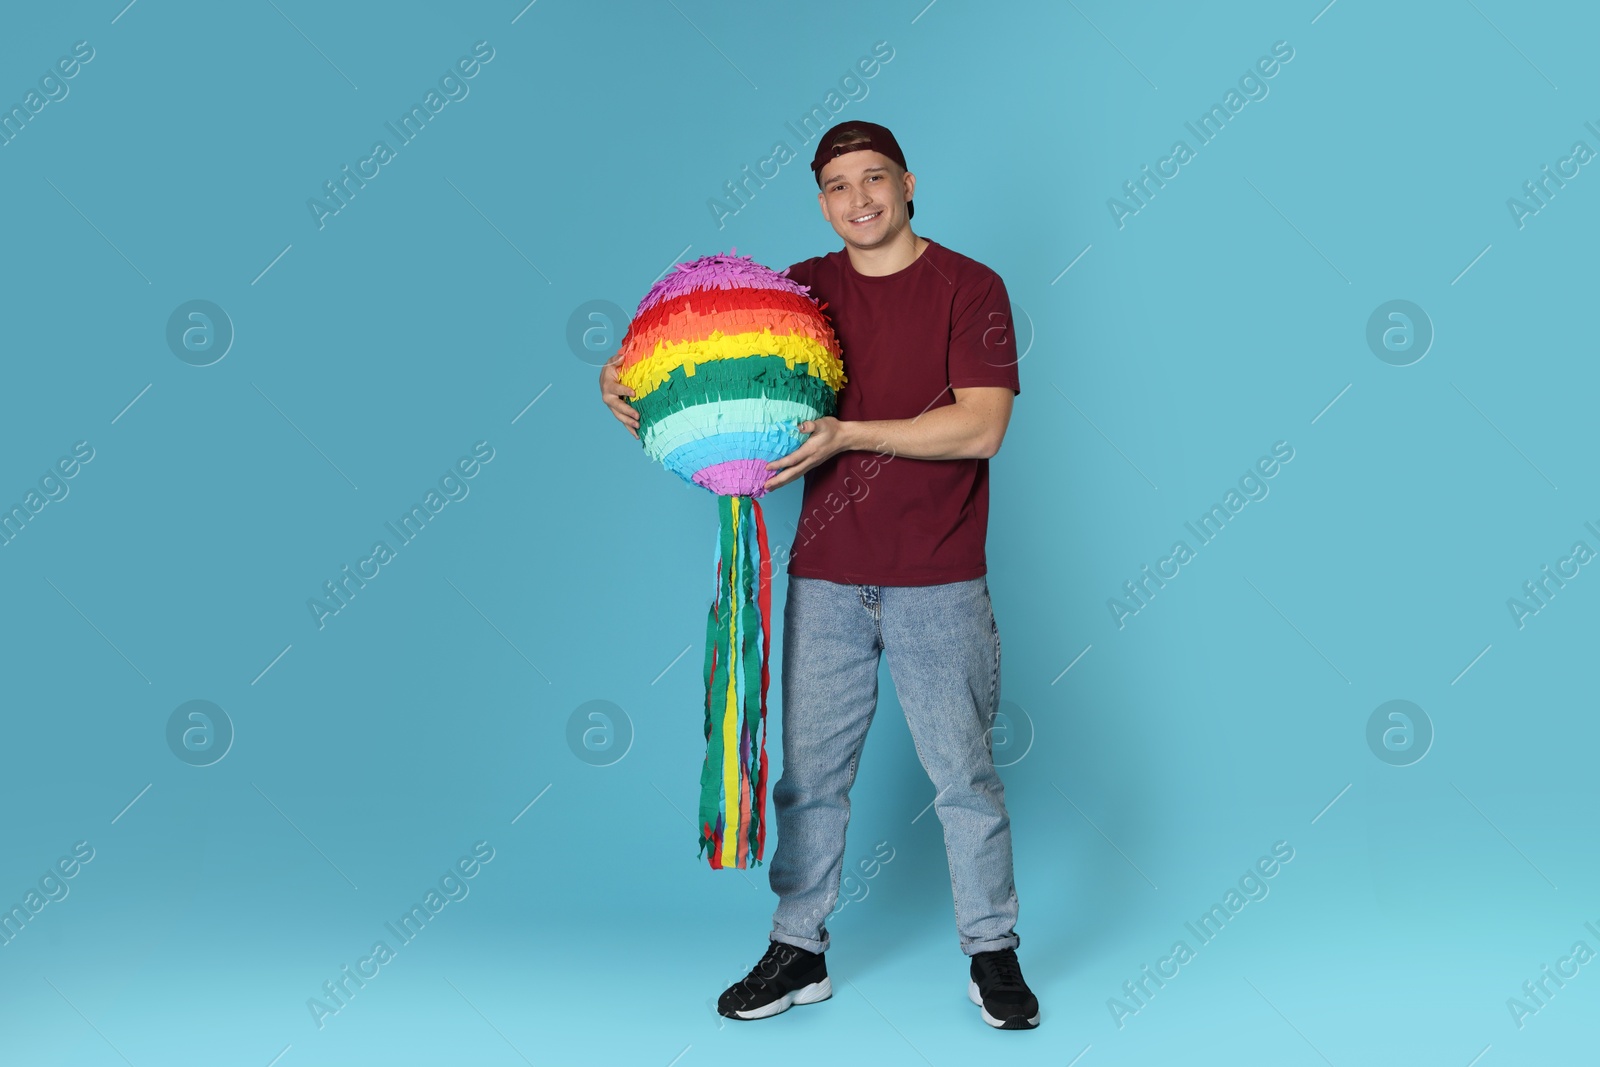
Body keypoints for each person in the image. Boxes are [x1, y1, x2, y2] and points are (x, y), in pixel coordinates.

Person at [599, 120, 1036, 1030]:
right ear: (822, 200)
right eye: (837, 186)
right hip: (826, 578)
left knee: (964, 776)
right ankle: (797, 951)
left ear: (910, 183)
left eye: (874, 179)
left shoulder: (971, 286)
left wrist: (851, 432)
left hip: (939, 577)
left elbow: (982, 426)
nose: (859, 199)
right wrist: (637, 388)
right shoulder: (798, 292)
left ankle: (991, 952)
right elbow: (722, 395)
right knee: (810, 778)